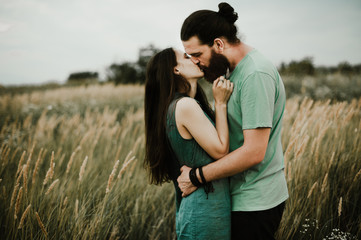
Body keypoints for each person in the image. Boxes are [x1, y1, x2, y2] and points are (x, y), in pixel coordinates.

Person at [177, 2, 289, 240]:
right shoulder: (231, 71)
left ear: (218, 44)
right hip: (239, 196)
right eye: (189, 56)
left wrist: (197, 176)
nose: (195, 62)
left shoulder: (255, 74)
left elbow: (254, 152)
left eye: (197, 55)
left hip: (255, 203)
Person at [144, 47, 234, 239]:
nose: (194, 60)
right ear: (176, 70)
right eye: (186, 57)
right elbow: (220, 151)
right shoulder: (185, 106)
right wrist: (220, 103)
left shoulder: (176, 106)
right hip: (204, 211)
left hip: (204, 207)